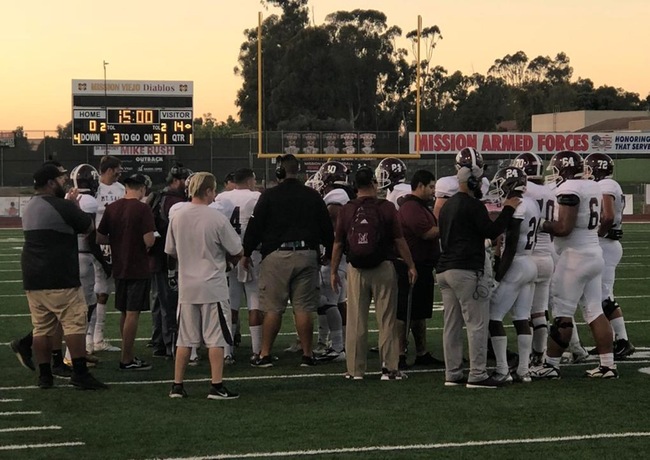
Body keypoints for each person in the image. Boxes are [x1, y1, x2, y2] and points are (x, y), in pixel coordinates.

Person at [436, 149, 521, 388]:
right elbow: (492, 232)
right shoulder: (472, 205)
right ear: (472, 182)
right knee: (476, 323)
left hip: (445, 270)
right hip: (465, 269)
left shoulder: (446, 206)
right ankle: (478, 374)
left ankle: (452, 373)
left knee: (451, 325)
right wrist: (508, 209)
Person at [531, 150, 617, 379]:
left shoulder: (570, 189)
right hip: (593, 253)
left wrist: (541, 224)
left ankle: (551, 364)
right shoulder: (593, 186)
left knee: (562, 314)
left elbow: (563, 228)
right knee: (595, 311)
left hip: (574, 258)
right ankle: (608, 366)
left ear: (564, 170)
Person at [21, 164, 107, 390]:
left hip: (33, 275)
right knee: (74, 324)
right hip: (60, 274)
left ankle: (45, 376)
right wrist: (73, 206)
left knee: (41, 328)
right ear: (50, 183)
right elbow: (87, 227)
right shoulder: (61, 206)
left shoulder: (29, 206)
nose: (64, 183)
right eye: (60, 179)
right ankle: (80, 373)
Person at [243, 154, 334, 368]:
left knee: (273, 308)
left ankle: (264, 354)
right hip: (307, 254)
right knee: (303, 308)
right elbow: (327, 229)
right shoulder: (312, 196)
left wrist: (246, 253)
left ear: (279, 172)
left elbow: (255, 228)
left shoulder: (269, 196)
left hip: (277, 255)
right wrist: (328, 252)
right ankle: (307, 354)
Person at [330, 166, 417, 380]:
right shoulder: (386, 207)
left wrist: (333, 271)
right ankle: (389, 368)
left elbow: (338, 243)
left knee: (356, 321)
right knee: (386, 319)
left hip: (356, 268)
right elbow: (399, 239)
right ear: (373, 183)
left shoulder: (347, 209)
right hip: (383, 266)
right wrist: (410, 264)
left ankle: (354, 370)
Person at [166, 172, 243, 399]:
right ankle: (216, 385)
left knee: (185, 338)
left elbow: (170, 251)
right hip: (212, 285)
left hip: (187, 285)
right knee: (215, 338)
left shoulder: (177, 216)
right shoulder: (216, 218)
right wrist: (227, 265)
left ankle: (177, 385)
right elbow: (237, 250)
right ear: (208, 191)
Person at [97, 173, 156, 371]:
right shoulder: (142, 208)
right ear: (141, 188)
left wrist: (118, 241)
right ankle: (126, 358)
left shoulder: (112, 207)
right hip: (138, 266)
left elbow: (100, 237)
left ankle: (126, 353)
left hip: (119, 265)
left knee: (124, 312)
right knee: (133, 313)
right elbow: (149, 240)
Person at [486, 166, 540, 383]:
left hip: (516, 264)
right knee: (521, 317)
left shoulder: (518, 205)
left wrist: (498, 276)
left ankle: (502, 370)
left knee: (493, 316)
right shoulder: (533, 203)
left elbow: (511, 245)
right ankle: (524, 370)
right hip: (530, 262)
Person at [584, 153, 634, 359]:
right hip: (605, 244)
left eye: (588, 169)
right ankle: (611, 340)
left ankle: (623, 341)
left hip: (606, 244)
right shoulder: (606, 184)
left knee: (604, 296)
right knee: (596, 295)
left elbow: (608, 216)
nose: (586, 173)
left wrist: (597, 235)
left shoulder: (607, 185)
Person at [210, 168, 262, 364]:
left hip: (229, 255)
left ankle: (227, 352)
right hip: (252, 254)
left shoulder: (222, 199)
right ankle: (257, 351)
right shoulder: (256, 197)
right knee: (255, 302)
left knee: (230, 304)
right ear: (250, 180)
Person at [511, 152, 557, 365]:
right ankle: (540, 354)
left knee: (524, 313)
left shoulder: (523, 191)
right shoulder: (549, 191)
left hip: (527, 256)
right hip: (547, 255)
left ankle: (526, 358)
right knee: (540, 311)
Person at [395, 169, 442, 370]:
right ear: (420, 185)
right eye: (431, 187)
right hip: (411, 266)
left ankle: (421, 352)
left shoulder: (418, 206)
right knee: (404, 313)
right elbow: (427, 233)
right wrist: (451, 226)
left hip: (421, 266)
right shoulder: (412, 207)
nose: (433, 191)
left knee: (419, 313)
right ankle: (399, 354)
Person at [147, 163, 192, 359]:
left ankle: (158, 341)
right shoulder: (175, 201)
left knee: (159, 301)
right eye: (184, 180)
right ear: (175, 180)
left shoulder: (157, 197)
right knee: (169, 303)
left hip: (157, 256)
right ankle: (169, 344)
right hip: (169, 258)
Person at [90, 155, 124, 353]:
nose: (120, 172)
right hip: (96, 244)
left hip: (114, 244)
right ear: (110, 169)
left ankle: (97, 337)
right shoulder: (96, 189)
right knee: (95, 291)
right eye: (118, 168)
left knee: (105, 290)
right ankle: (91, 338)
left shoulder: (120, 189)